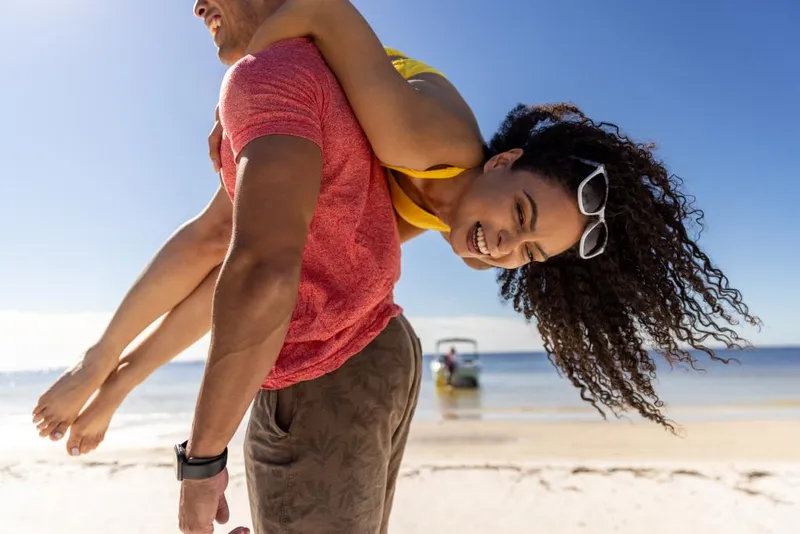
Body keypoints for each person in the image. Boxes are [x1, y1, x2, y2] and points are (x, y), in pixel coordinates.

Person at [34, 0, 757, 460]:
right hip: (304, 71)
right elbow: (325, 9)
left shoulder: (424, 216)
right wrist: (244, 89)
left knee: (225, 247)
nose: (505, 245)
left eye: (530, 253)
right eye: (522, 215)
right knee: (215, 233)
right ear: (503, 162)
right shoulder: (431, 145)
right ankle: (98, 361)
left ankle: (115, 377)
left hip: (318, 125)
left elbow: (240, 281)